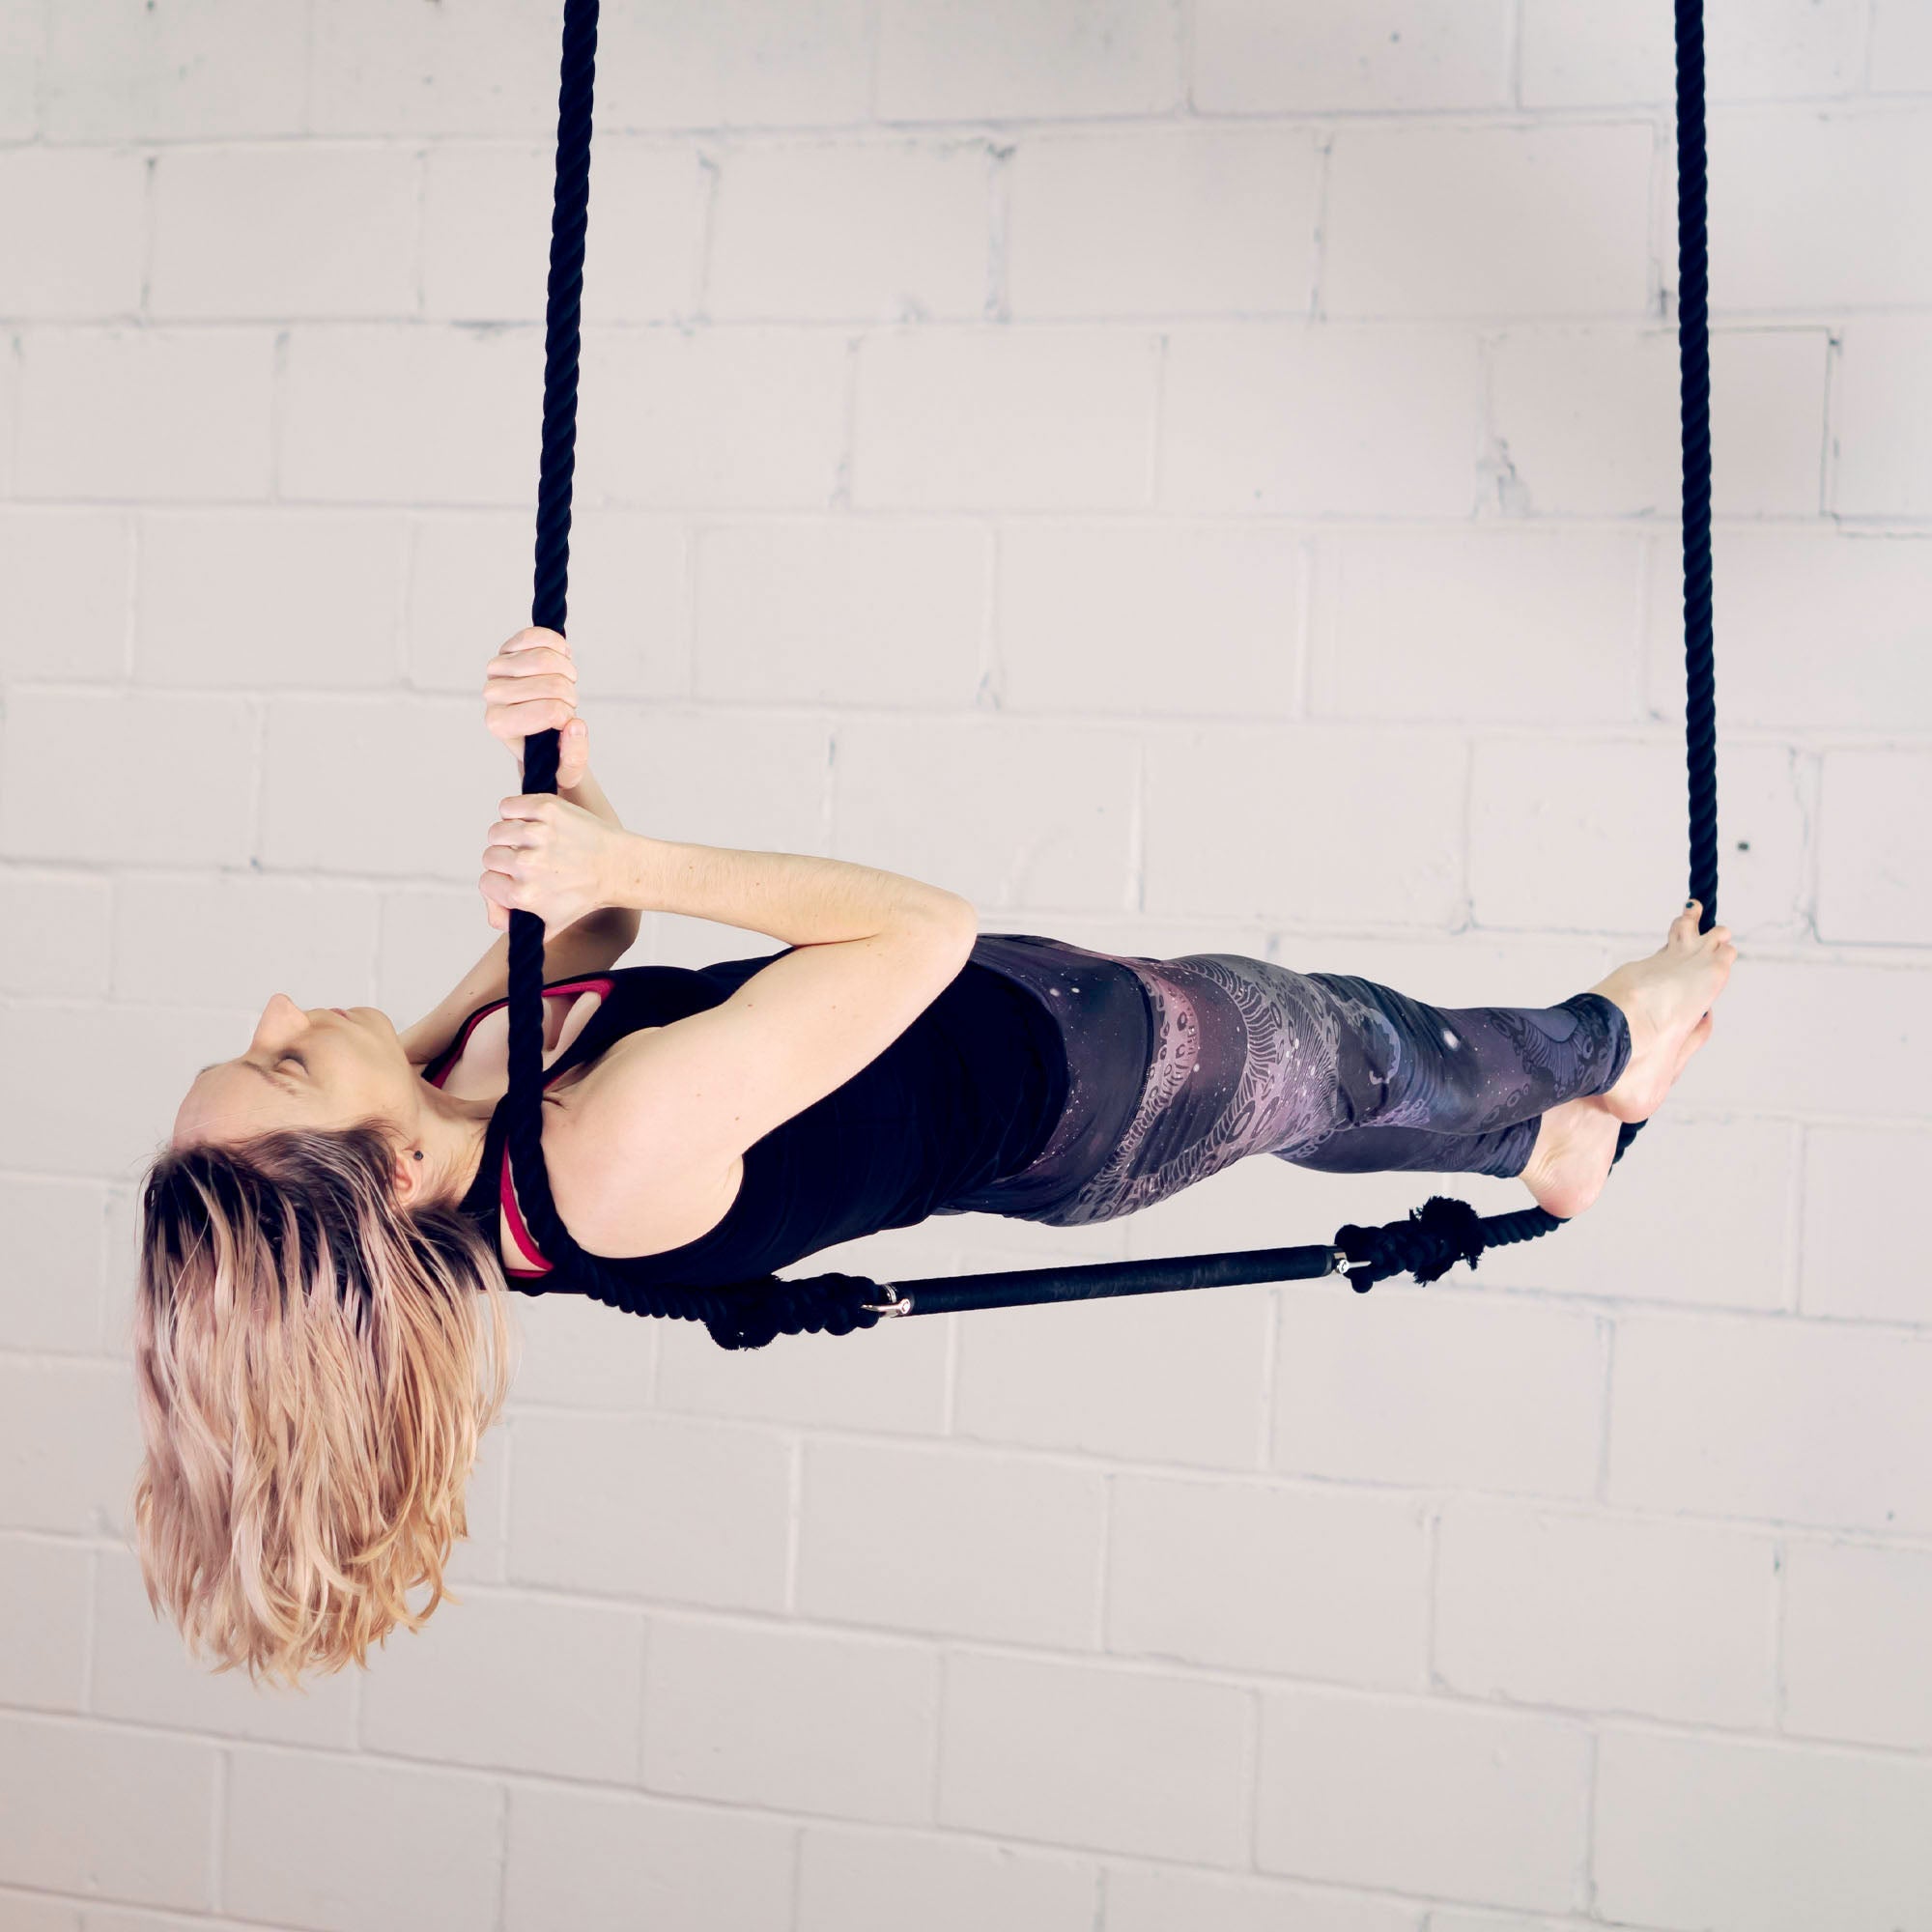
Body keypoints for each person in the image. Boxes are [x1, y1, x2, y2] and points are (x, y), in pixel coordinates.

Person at [135, 628, 1737, 1687]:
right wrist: (633, 855)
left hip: (1020, 1030)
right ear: (387, 1180)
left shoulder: (450, 1082)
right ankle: (1617, 1037)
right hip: (1097, 1087)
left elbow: (597, 927)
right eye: (282, 1061)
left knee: (1318, 1102)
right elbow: (916, 930)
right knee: (1365, 1046)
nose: (287, 1007)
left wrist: (560, 763)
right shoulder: (601, 1163)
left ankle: (1544, 1150)